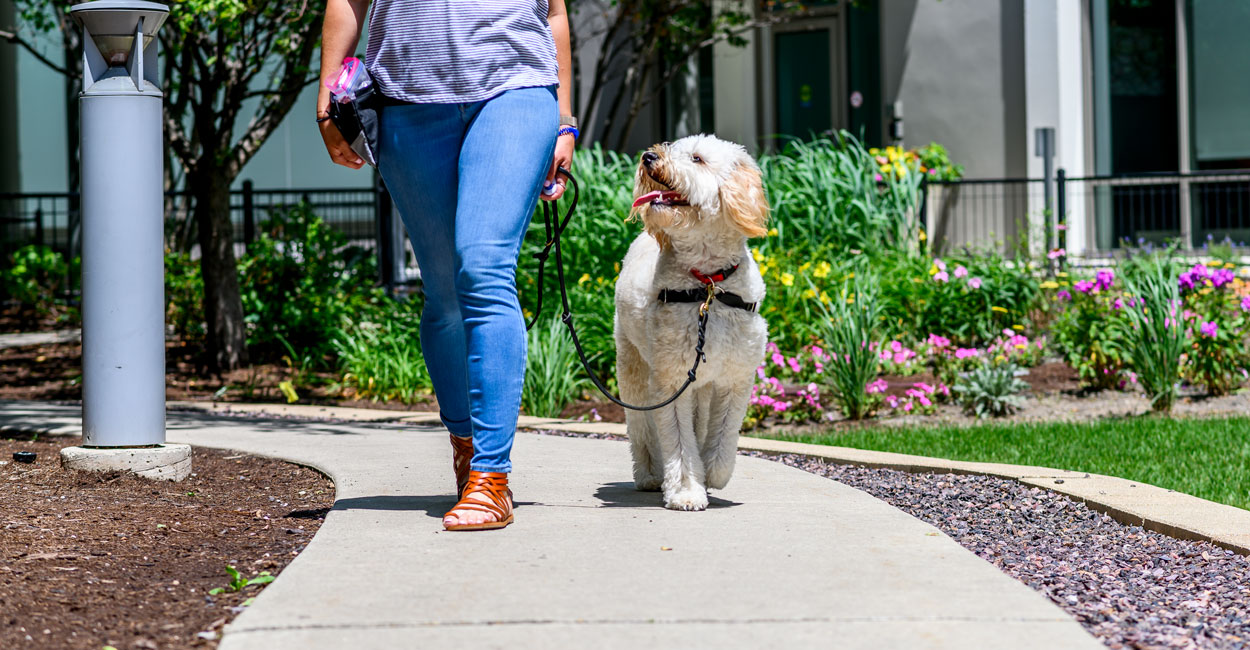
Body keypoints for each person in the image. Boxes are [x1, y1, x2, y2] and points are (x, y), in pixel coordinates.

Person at [317, 0, 576, 531]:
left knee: (483, 269)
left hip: (516, 92)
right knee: (445, 294)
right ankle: (465, 443)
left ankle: (491, 476)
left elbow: (554, 12)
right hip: (407, 103)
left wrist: (565, 121)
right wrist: (327, 103)